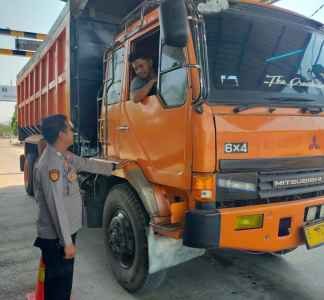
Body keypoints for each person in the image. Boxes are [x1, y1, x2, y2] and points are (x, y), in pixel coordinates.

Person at [33, 114, 125, 300]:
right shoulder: (50, 165)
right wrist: (66, 242)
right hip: (57, 237)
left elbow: (85, 163)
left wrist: (115, 166)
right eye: (70, 129)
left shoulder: (62, 155)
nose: (73, 132)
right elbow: (56, 206)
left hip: (65, 232)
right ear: (61, 134)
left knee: (64, 280)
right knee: (57, 282)